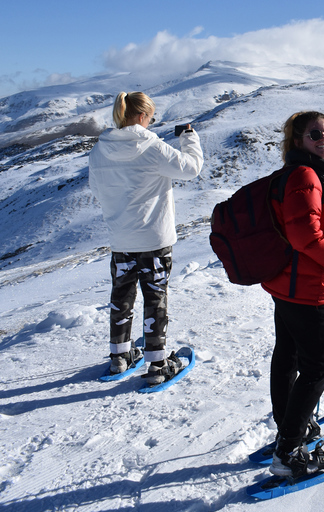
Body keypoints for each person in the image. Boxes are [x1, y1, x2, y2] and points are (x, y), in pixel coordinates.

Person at [89, 91, 204, 385]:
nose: (151, 123)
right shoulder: (151, 147)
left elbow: (96, 188)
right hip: (153, 238)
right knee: (155, 299)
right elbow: (191, 169)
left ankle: (119, 357)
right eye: (151, 118)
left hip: (121, 238)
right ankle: (157, 366)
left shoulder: (100, 150)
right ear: (142, 116)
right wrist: (189, 138)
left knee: (121, 297)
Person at [262, 111, 324, 478]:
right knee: (316, 366)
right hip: (308, 287)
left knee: (289, 354)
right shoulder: (305, 175)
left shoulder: (300, 173)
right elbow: (305, 236)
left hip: (288, 284)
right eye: (316, 132)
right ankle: (288, 452)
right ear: (297, 139)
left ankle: (290, 427)